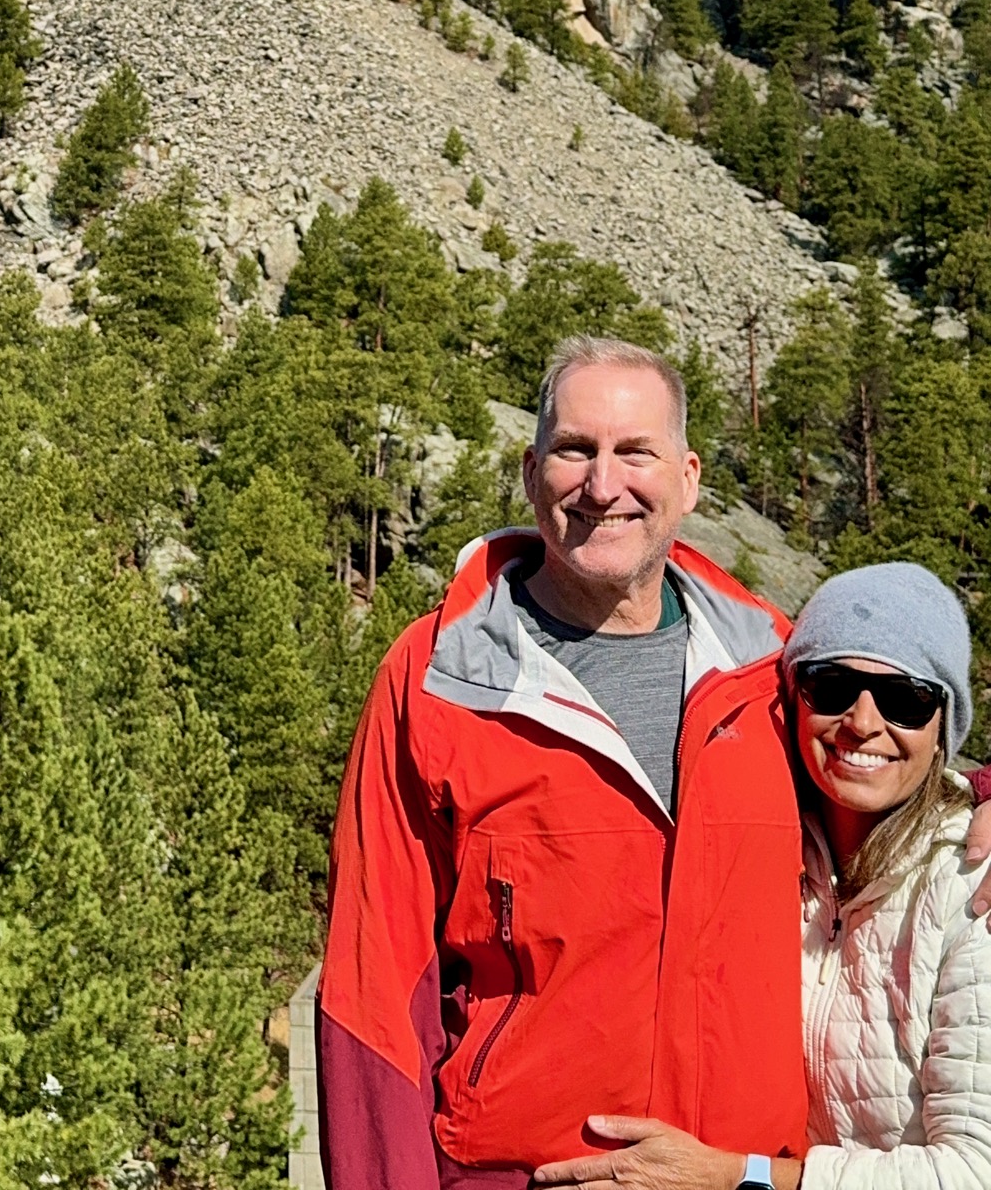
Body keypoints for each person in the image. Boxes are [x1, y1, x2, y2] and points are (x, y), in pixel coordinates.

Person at [316, 337, 991, 1190]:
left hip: (741, 1174)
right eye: (575, 450)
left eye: (636, 452)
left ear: (689, 478)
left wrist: (987, 793)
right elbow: (374, 986)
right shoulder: (439, 680)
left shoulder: (768, 668)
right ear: (530, 472)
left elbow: (879, 767)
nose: (604, 486)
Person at [534, 562, 991, 1190]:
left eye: (905, 699)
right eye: (832, 686)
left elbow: (975, 1169)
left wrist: (735, 1176)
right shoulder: (771, 849)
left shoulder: (971, 885)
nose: (862, 722)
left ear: (944, 726)